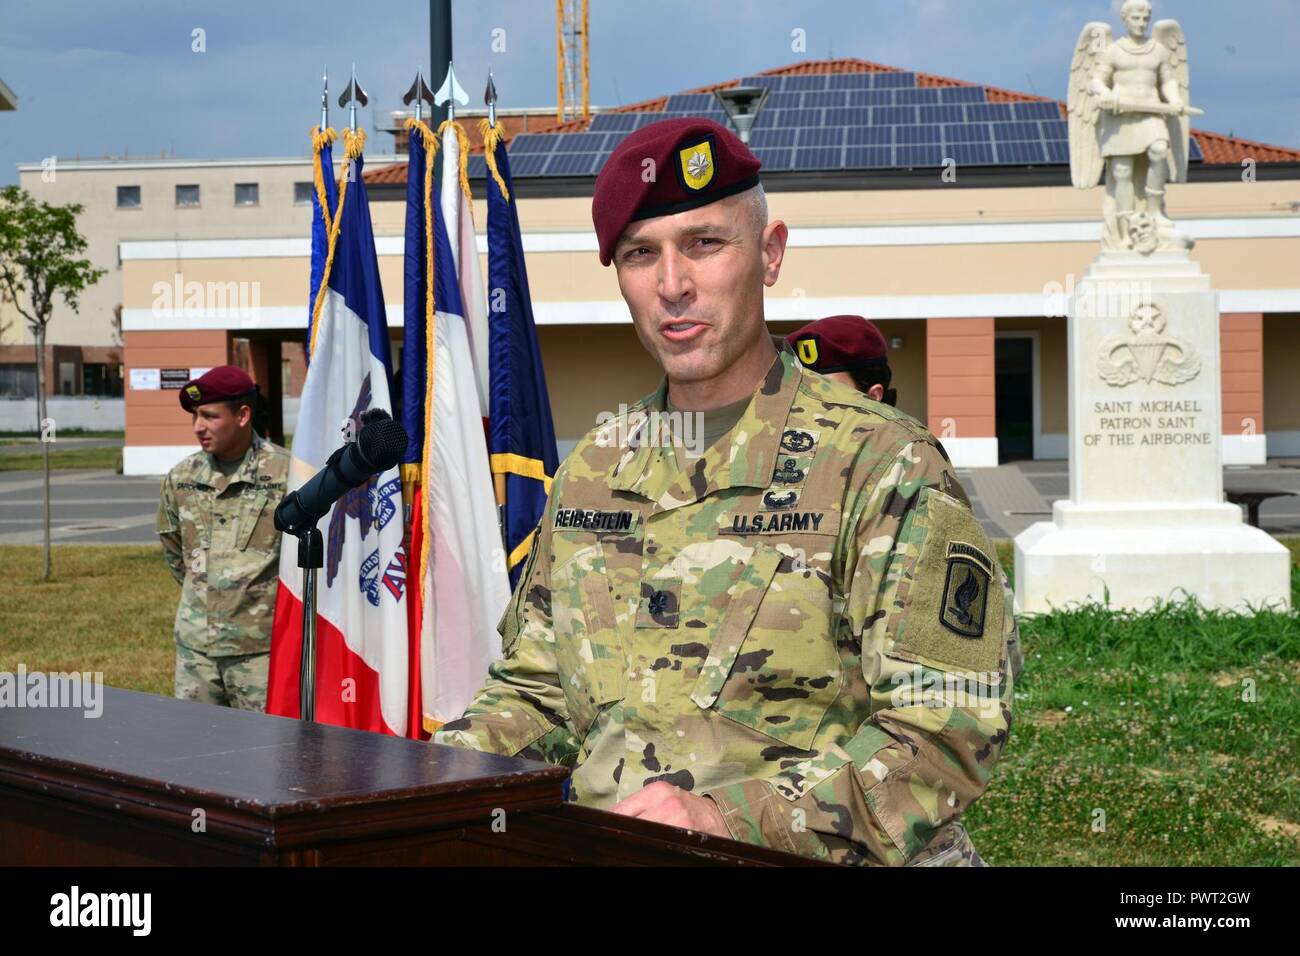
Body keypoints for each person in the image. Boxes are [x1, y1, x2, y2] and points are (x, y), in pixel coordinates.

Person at [433, 117, 1022, 866]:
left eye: (705, 243)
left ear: (770, 255)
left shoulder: (879, 463)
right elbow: (535, 691)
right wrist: (429, 782)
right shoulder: (594, 471)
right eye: (641, 254)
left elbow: (947, 726)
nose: (673, 284)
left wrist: (731, 819)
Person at [155, 366, 289, 711]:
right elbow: (175, 554)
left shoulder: (286, 474)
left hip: (260, 650)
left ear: (243, 415)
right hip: (196, 649)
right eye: (196, 416)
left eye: (210, 416)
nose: (199, 426)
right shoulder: (182, 477)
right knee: (197, 752)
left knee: (264, 753)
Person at [787, 314, 897, 406]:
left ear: (873, 397)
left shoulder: (904, 432)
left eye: (827, 392)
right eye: (801, 393)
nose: (811, 404)